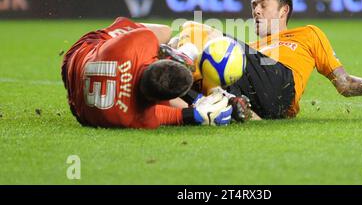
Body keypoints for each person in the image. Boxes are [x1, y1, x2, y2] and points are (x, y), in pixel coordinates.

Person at [173, 0, 362, 119]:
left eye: (263, 4)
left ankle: (186, 67)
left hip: (281, 84)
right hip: (265, 107)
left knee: (195, 30)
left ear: (283, 11)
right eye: (253, 5)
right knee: (184, 82)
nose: (256, 10)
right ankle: (229, 110)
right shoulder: (250, 52)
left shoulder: (307, 34)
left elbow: (344, 84)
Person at [61, 17, 234, 129]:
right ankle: (179, 53)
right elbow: (176, 115)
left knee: (165, 31)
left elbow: (175, 116)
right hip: (77, 97)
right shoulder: (136, 118)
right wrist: (198, 111)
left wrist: (197, 112)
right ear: (156, 101)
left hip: (78, 55)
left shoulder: (139, 41)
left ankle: (177, 51)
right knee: (172, 39)